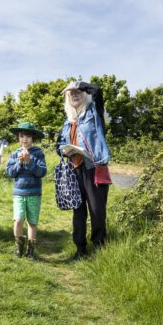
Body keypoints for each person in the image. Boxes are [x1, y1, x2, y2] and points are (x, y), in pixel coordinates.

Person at [56, 81, 111, 260]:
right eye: (70, 93)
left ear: (84, 94)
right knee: (78, 211)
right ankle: (80, 250)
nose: (74, 95)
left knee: (97, 210)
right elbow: (58, 146)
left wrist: (77, 84)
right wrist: (64, 149)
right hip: (75, 169)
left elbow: (98, 91)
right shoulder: (67, 121)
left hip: (94, 167)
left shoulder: (95, 113)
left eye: (77, 92)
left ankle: (99, 249)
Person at [5, 122, 47, 260]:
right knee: (18, 220)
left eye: (28, 136)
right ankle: (18, 247)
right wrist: (20, 163)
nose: (25, 139)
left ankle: (30, 250)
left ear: (32, 138)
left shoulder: (38, 153)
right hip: (19, 192)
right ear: (18, 138)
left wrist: (30, 162)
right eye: (22, 136)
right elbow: (10, 173)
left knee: (32, 222)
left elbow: (41, 172)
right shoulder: (15, 153)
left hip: (34, 193)